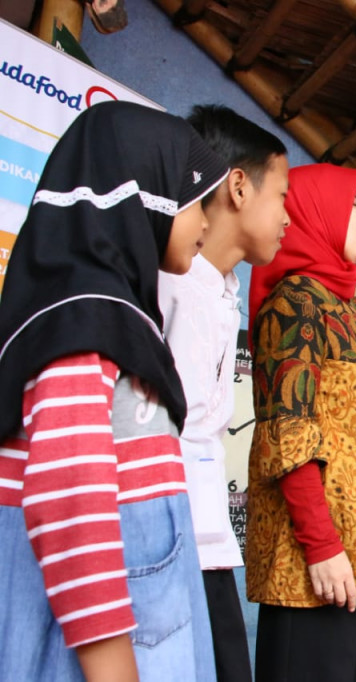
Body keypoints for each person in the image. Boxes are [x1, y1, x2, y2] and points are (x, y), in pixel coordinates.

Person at [0, 101, 228, 681]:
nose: (206, 223)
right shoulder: (85, 319)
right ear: (146, 192)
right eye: (195, 200)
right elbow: (68, 495)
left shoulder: (114, 317)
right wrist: (114, 671)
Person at [245, 163, 356, 682]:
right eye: (349, 206)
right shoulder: (295, 304)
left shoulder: (348, 307)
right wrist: (322, 546)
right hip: (314, 561)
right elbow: (288, 434)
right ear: (314, 214)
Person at [158, 104, 291, 682]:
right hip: (164, 538)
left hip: (206, 538)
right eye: (281, 195)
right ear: (238, 186)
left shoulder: (222, 290)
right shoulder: (168, 286)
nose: (287, 216)